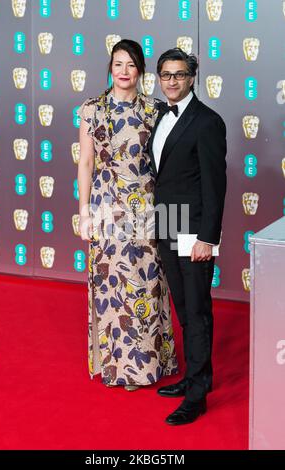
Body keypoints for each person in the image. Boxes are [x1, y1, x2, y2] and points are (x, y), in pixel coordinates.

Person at [77, 39, 178, 392]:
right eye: (118, 64)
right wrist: (84, 211)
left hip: (146, 208)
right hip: (106, 207)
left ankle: (149, 362)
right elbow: (86, 163)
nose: (123, 72)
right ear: (110, 67)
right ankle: (117, 365)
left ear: (140, 71)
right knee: (111, 286)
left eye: (131, 65)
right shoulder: (92, 109)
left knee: (146, 283)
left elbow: (167, 163)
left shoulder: (154, 111)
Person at [148, 48, 227, 423]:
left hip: (193, 230)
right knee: (183, 308)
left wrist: (207, 239)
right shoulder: (161, 115)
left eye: (179, 74)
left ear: (192, 77)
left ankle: (197, 393)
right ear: (159, 78)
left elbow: (215, 185)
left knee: (197, 312)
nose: (172, 81)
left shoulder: (207, 122)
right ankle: (197, 376)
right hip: (167, 223)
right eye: (166, 74)